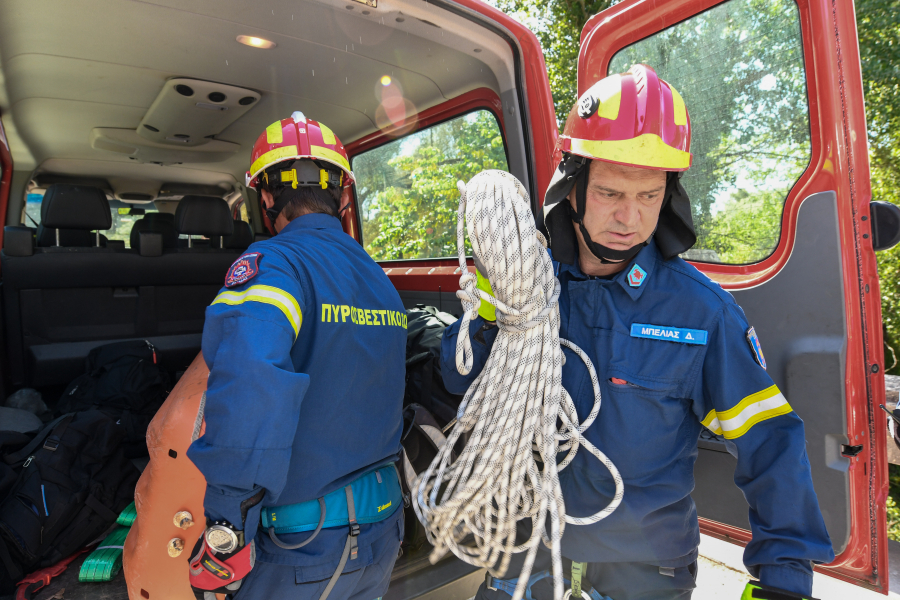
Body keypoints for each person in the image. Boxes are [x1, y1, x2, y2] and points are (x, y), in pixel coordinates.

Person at [441, 65, 834, 600]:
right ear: (573, 187)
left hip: (646, 571)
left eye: (649, 196)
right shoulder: (525, 290)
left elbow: (771, 443)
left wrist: (785, 578)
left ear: (668, 194)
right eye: (609, 193)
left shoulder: (702, 314)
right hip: (525, 555)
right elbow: (461, 388)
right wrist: (492, 312)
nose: (629, 217)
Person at [186, 112, 407, 600]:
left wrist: (225, 528)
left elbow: (251, 390)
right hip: (383, 532)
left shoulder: (273, 267)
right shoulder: (379, 279)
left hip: (303, 548)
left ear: (265, 197)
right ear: (343, 195)